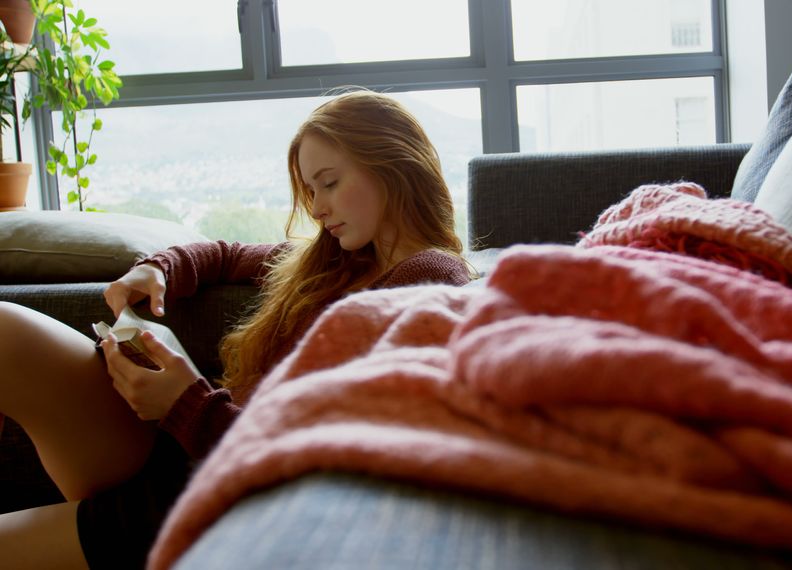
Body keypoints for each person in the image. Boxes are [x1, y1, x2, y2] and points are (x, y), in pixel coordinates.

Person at [0, 89, 471, 569]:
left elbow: (330, 456)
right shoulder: (336, 263)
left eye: (328, 183)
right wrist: (159, 269)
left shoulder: (431, 276)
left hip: (230, 500)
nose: (317, 207)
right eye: (311, 190)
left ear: (393, 164)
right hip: (191, 452)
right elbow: (224, 254)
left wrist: (187, 403)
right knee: (7, 331)